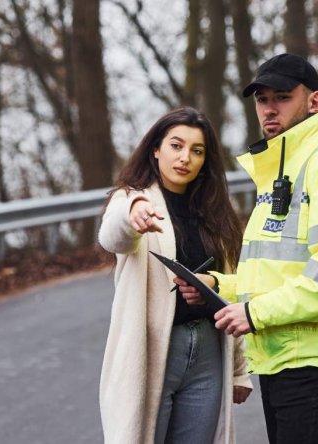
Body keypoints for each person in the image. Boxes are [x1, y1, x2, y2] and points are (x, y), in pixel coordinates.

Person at [180, 53, 318, 444]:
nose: (269, 109)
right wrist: (218, 287)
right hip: (282, 355)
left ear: (314, 102)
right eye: (262, 99)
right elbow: (275, 271)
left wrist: (253, 314)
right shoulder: (283, 168)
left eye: (282, 97)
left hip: (312, 358)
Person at [98, 106, 253, 444]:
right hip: (153, 352)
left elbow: (231, 292)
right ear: (156, 149)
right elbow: (112, 235)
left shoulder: (216, 215)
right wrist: (133, 212)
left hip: (208, 353)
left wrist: (240, 369)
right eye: (176, 145)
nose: (185, 158)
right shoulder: (132, 200)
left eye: (197, 151)